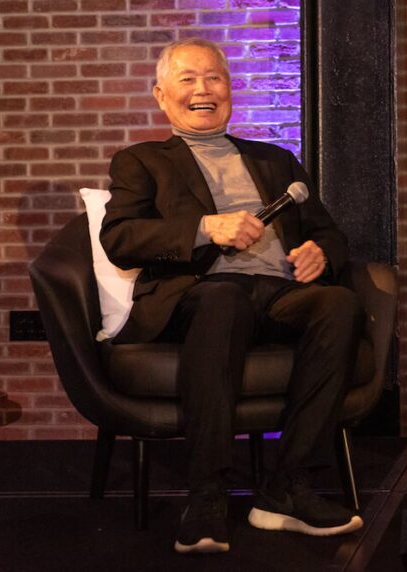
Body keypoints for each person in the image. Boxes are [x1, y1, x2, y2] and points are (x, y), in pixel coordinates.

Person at [100, 38, 364, 554]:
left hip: (277, 293)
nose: (203, 89)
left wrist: (321, 255)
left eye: (214, 78)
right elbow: (120, 239)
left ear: (230, 89)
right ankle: (207, 494)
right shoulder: (143, 161)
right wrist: (204, 228)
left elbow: (328, 232)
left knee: (339, 303)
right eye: (187, 79)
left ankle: (287, 486)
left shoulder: (276, 160)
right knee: (225, 300)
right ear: (160, 95)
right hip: (198, 295)